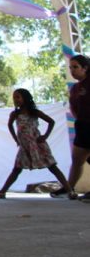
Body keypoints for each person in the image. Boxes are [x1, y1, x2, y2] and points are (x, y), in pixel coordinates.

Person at [0, 88, 73, 199]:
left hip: (37, 145)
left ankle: (70, 191)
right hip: (24, 147)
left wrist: (45, 136)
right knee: (16, 169)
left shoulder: (35, 112)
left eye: (18, 97)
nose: (15, 99)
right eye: (14, 97)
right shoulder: (15, 114)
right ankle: (2, 192)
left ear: (26, 98)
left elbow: (51, 122)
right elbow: (10, 125)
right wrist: (16, 139)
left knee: (53, 167)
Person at [52, 55, 90, 201]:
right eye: (70, 67)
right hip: (82, 125)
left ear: (85, 68)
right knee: (77, 159)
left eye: (75, 67)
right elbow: (73, 107)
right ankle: (69, 187)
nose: (72, 71)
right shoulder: (75, 88)